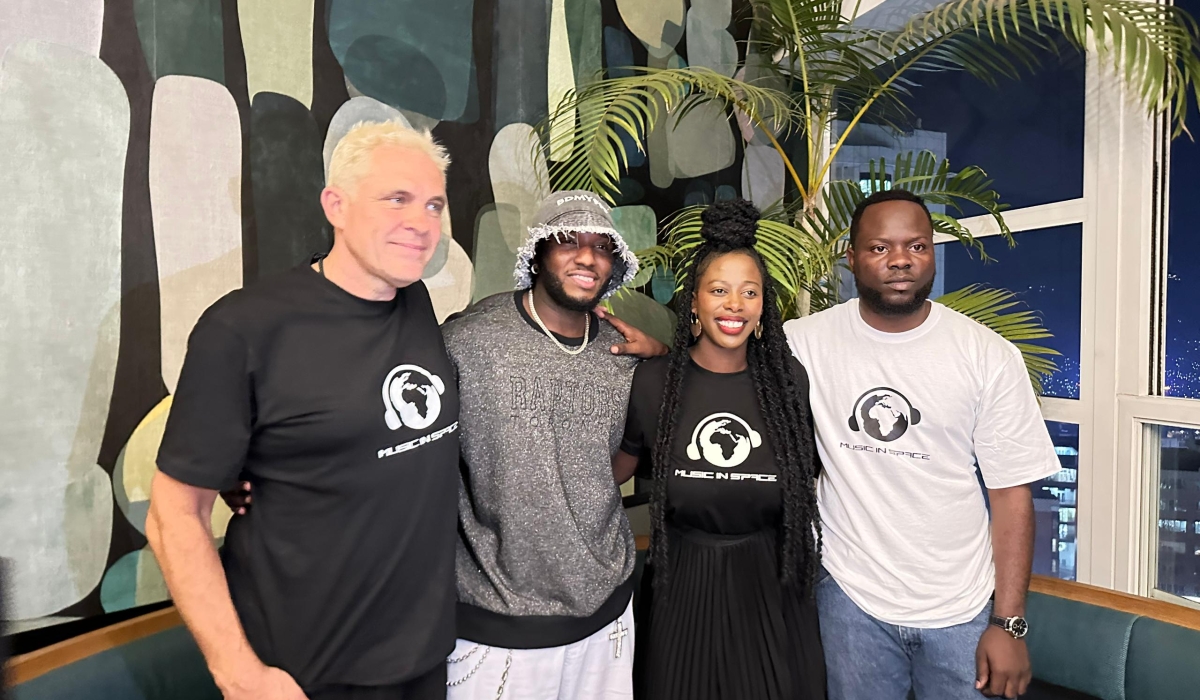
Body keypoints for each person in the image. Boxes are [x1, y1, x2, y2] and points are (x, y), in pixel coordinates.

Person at [147, 121, 460, 700]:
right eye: (397, 198)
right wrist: (239, 675)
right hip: (306, 673)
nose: (422, 224)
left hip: (424, 656)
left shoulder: (412, 300)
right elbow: (172, 517)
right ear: (335, 205)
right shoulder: (242, 329)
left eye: (433, 204)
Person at [784, 189, 1060, 700]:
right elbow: (722, 360)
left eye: (916, 246)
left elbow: (1011, 496)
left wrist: (1010, 623)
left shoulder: (986, 355)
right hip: (850, 598)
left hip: (962, 607)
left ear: (932, 252)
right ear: (850, 255)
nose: (900, 262)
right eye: (879, 248)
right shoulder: (803, 341)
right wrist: (661, 352)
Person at [440, 190, 665, 699]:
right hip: (497, 624)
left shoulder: (622, 354)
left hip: (607, 615)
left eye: (602, 246)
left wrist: (661, 355)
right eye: (568, 241)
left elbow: (615, 466)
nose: (587, 257)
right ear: (538, 254)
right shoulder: (469, 340)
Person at [614, 199, 826, 700]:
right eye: (719, 290)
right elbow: (611, 473)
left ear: (762, 305)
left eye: (749, 292)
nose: (734, 304)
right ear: (694, 300)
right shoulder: (653, 382)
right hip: (680, 582)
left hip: (771, 585)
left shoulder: (787, 382)